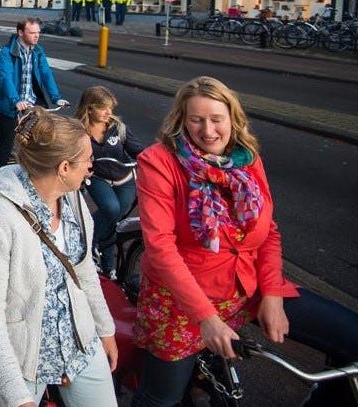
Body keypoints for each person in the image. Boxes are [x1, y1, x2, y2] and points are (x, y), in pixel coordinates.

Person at [129, 76, 358, 407]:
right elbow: (161, 249)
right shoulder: (158, 162)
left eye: (216, 120)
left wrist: (274, 294)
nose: (208, 131)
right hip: (184, 300)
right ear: (182, 120)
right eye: (196, 120)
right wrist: (206, 318)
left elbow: (269, 232)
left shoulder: (247, 158)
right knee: (161, 397)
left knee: (350, 338)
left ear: (232, 120)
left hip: (249, 285)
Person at [0, 107, 118, 407]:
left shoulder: (73, 198)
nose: (92, 166)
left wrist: (105, 329)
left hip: (80, 341)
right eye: (87, 159)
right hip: (23, 360)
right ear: (64, 168)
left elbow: (84, 269)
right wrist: (17, 396)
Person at [75, 86, 144, 280]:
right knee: (111, 209)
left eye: (110, 108)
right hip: (98, 179)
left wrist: (149, 160)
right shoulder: (80, 132)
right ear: (89, 109)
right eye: (103, 108)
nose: (109, 113)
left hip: (124, 179)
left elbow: (138, 150)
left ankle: (107, 264)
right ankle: (90, 243)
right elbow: (76, 155)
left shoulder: (118, 128)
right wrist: (83, 166)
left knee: (114, 221)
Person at [0, 17, 67, 169]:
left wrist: (56, 98)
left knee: (39, 138)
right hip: (7, 102)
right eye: (32, 33)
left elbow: (46, 73)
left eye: (38, 32)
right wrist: (15, 100)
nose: (36, 36)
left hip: (29, 101)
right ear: (20, 33)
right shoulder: (6, 52)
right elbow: (5, 77)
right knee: (7, 140)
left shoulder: (38, 51)